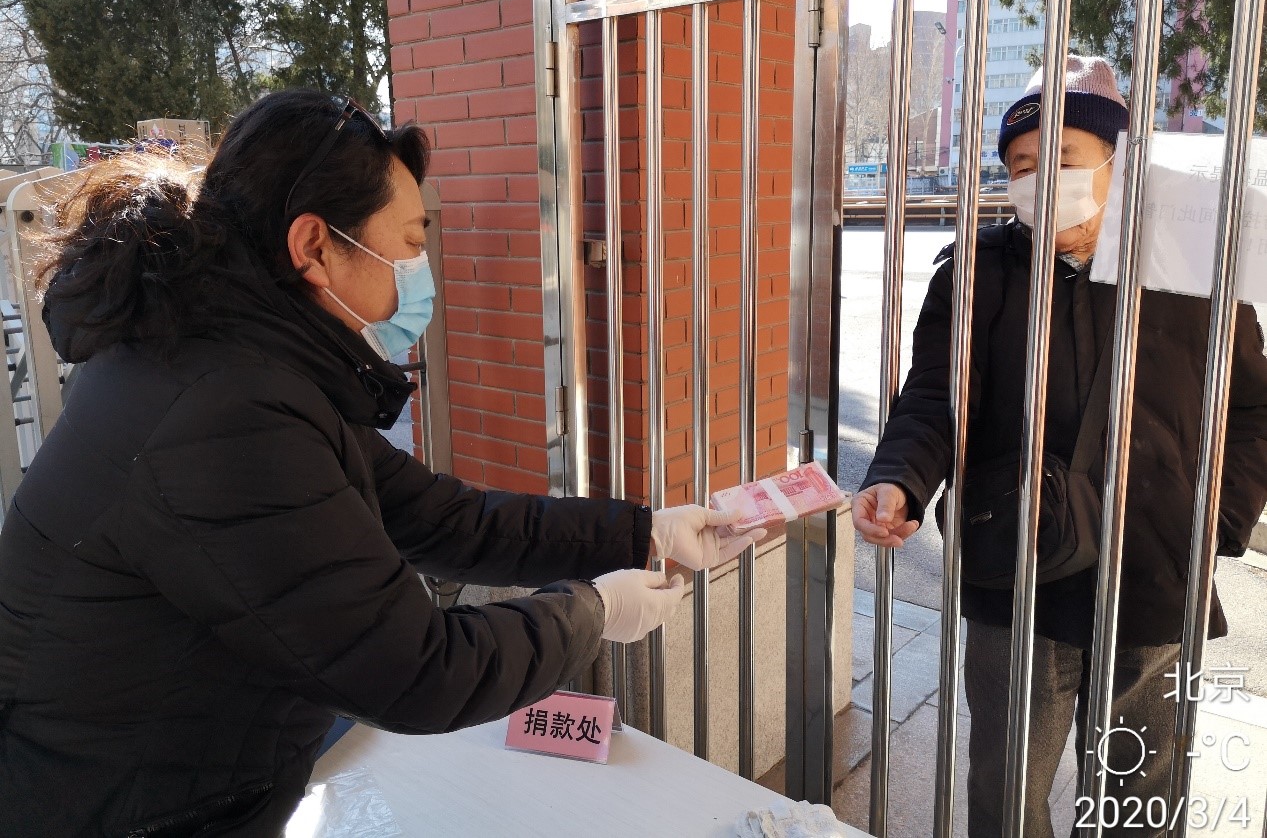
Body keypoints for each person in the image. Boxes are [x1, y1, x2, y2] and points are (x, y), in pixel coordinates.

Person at [0, 90, 766, 837]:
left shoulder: (234, 358)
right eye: (409, 241)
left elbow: (439, 516)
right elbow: (416, 672)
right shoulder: (222, 411)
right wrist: (593, 613)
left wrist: (642, 533)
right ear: (314, 246)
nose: (419, 266)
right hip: (123, 805)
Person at [851, 56, 1267, 837]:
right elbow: (935, 398)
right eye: (1020, 165)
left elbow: (1249, 411)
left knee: (1140, 794)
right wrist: (898, 479)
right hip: (1018, 571)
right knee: (1005, 789)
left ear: (1115, 162)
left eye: (1062, 158)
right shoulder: (977, 273)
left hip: (1153, 577)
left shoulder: (1195, 273)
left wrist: (1216, 521)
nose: (1039, 180)